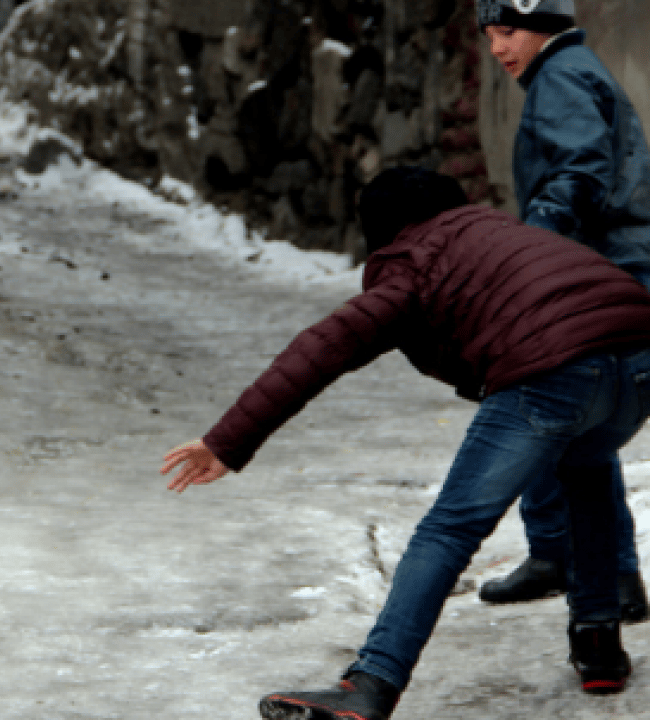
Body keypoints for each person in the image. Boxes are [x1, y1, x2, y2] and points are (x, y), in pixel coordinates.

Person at [161, 167, 650, 719]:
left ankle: (371, 684)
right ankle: (598, 641)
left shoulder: (412, 261)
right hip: (638, 357)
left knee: (450, 528)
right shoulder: (496, 234)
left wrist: (227, 441)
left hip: (554, 370)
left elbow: (326, 345)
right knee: (586, 468)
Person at [476, 0, 650, 619]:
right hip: (605, 268)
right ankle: (558, 553)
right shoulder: (569, 70)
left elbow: (581, 168)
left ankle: (612, 575)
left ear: (544, 25)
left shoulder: (562, 75)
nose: (498, 48)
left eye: (509, 31)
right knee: (564, 418)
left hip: (603, 272)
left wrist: (536, 253)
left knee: (571, 422)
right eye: (491, 35)